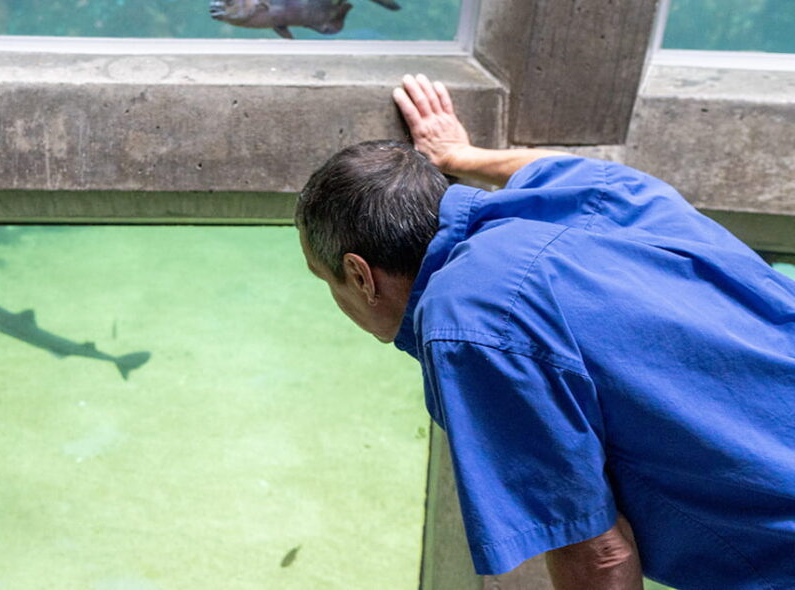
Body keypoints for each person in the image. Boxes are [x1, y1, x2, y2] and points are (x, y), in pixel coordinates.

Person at [295, 74, 795, 590]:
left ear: (359, 275)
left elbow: (598, 554)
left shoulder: (469, 323)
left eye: (325, 278)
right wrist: (461, 154)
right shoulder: (593, 192)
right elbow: (548, 169)